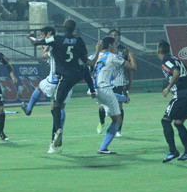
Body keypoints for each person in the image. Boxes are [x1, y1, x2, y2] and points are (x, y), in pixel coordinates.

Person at [28, 19, 101, 153]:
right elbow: (88, 62)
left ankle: (58, 130)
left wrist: (30, 36)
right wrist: (97, 51)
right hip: (77, 74)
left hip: (65, 77)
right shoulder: (79, 41)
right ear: (74, 29)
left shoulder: (56, 39)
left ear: (63, 28)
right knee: (84, 69)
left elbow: (36, 42)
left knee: (56, 107)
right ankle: (92, 89)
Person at [92, 37, 136, 154]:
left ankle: (123, 98)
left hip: (94, 90)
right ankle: (103, 148)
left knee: (110, 99)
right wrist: (131, 55)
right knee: (117, 120)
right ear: (110, 45)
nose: (116, 47)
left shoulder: (94, 56)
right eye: (115, 44)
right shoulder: (112, 57)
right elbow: (133, 67)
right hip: (104, 89)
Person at [157, 40, 187, 163]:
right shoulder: (175, 58)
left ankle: (173, 151)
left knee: (165, 121)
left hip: (181, 95)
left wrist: (168, 88)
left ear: (158, 51)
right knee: (178, 123)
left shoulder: (165, 61)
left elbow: (176, 72)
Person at [21, 26, 71, 118]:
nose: (41, 37)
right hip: (67, 80)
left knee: (40, 87)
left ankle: (29, 109)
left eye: (42, 35)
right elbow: (40, 45)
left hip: (54, 79)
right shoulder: (63, 43)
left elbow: (44, 55)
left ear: (49, 35)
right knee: (59, 106)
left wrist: (48, 42)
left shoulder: (53, 46)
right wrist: (32, 38)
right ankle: (58, 128)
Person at [97, 29, 133, 137]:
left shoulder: (123, 50)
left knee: (119, 106)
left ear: (119, 37)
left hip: (119, 79)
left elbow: (129, 67)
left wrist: (130, 80)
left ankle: (118, 129)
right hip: (106, 79)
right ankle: (102, 122)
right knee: (102, 106)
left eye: (115, 35)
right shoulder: (104, 50)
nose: (114, 36)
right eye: (111, 35)